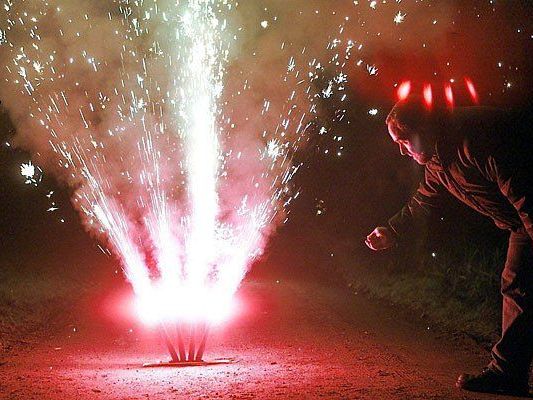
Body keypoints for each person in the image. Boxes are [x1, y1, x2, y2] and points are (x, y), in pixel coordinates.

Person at [365, 95, 533, 396]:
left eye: (404, 141)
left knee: (518, 284)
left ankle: (508, 372)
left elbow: (525, 193)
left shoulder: (474, 141)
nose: (402, 151)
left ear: (422, 129)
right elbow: (423, 201)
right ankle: (509, 373)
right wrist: (391, 230)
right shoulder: (438, 159)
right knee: (518, 285)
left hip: (527, 217)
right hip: (521, 223)